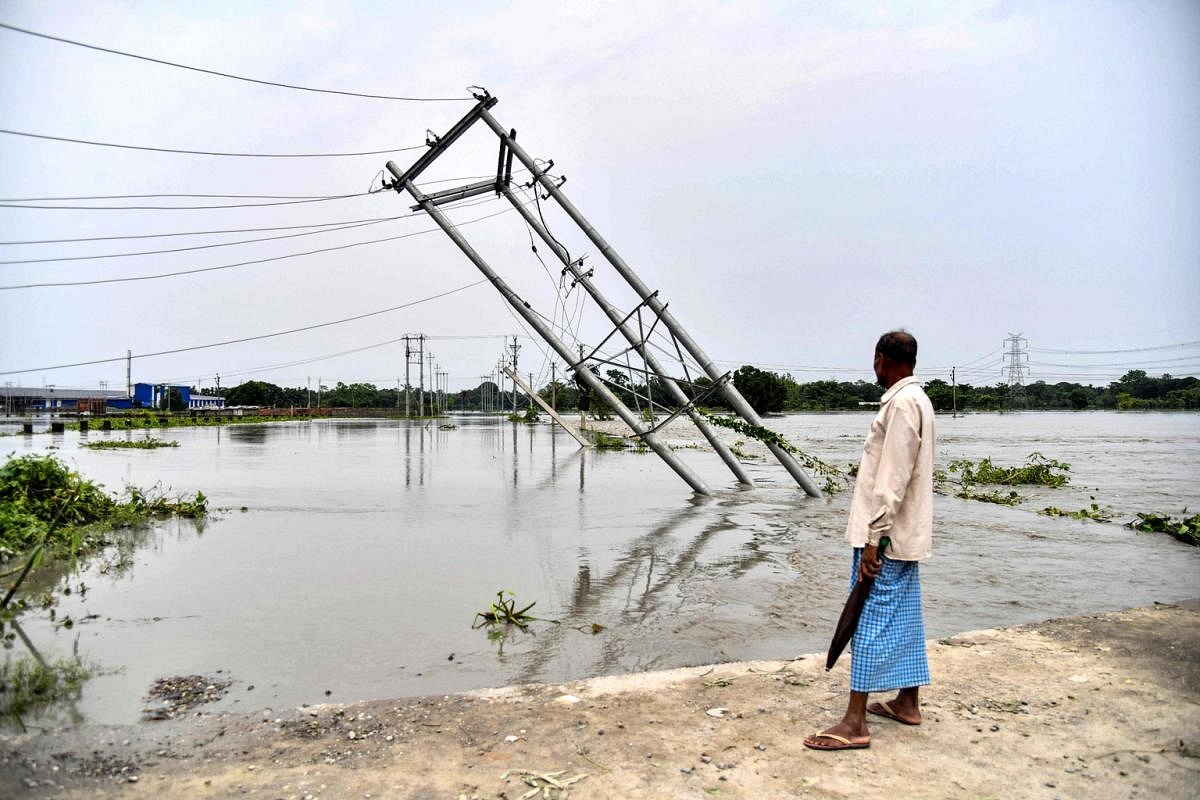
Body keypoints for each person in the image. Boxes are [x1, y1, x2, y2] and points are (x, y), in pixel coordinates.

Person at [804, 330, 936, 751]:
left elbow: (891, 481)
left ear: (881, 359)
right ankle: (908, 702)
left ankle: (855, 721)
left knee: (867, 619)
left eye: (874, 360)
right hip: (904, 535)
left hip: (886, 538)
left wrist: (874, 540)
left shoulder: (900, 404)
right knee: (904, 615)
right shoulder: (919, 399)